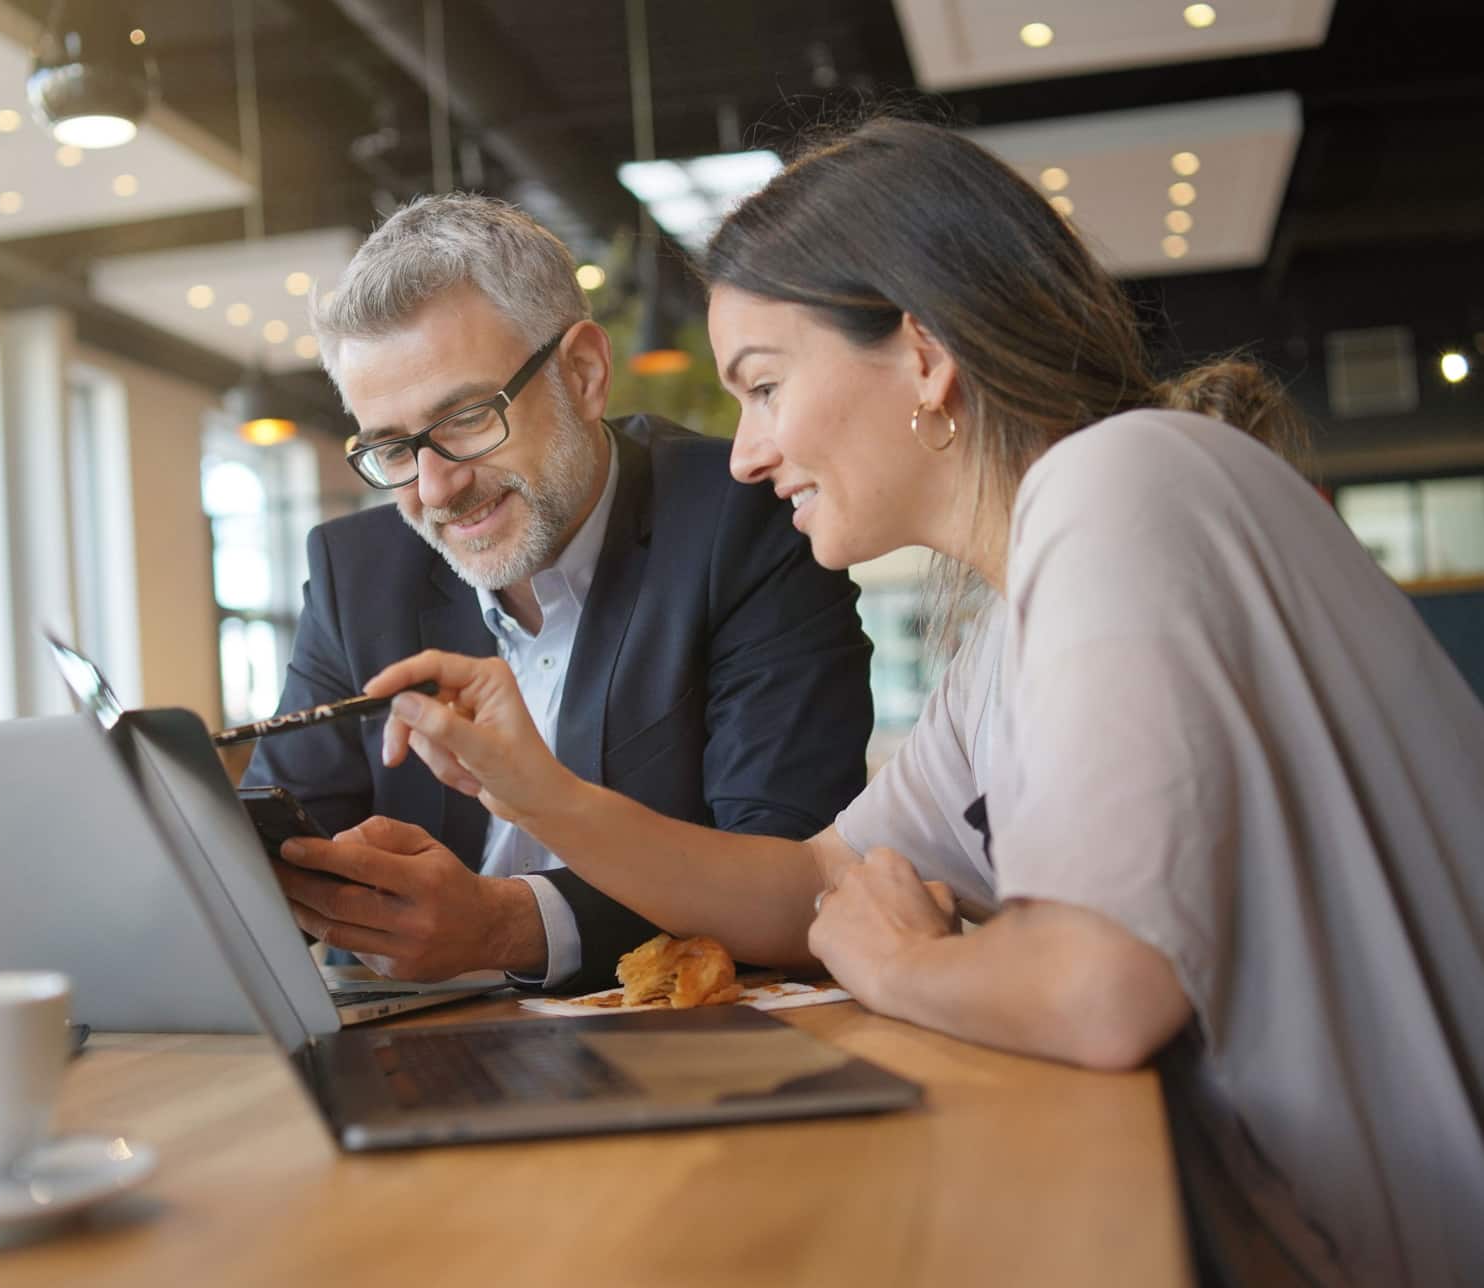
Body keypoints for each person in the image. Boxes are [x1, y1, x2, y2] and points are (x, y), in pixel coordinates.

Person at [355, 121, 1484, 1286]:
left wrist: (903, 966)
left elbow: (1104, 987)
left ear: (926, 355)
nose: (745, 455)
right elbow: (808, 886)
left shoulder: (1123, 478)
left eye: (765, 386)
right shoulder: (1016, 623)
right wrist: (539, 791)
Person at [251, 193, 874, 995]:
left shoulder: (745, 521)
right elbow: (276, 845)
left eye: (469, 417)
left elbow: (793, 870)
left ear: (582, 373)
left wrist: (509, 924)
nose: (436, 487)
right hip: (413, 1055)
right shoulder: (355, 570)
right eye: (391, 449)